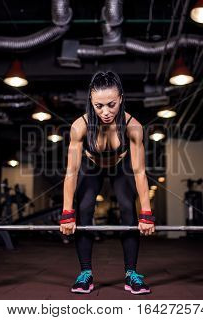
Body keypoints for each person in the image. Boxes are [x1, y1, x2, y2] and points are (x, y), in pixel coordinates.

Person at [60, 71, 155, 295]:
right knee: (84, 208)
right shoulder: (79, 127)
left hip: (120, 167)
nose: (105, 112)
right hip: (91, 167)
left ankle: (132, 274)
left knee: (127, 208)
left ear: (120, 98)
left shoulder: (134, 127)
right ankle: (85, 274)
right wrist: (66, 213)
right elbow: (71, 172)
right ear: (91, 102)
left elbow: (140, 171)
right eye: (98, 105)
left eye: (111, 104)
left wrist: (147, 213)